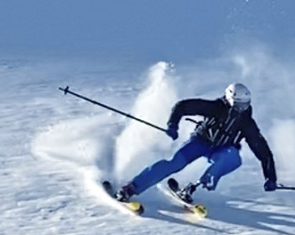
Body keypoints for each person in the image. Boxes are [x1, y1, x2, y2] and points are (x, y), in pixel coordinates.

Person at [117, 82, 278, 201]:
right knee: (174, 164)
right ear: (229, 100)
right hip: (200, 142)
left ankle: (194, 186)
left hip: (220, 150)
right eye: (238, 105)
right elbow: (183, 106)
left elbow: (263, 151)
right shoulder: (215, 107)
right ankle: (131, 188)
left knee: (233, 157)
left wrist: (270, 178)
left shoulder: (247, 123)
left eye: (245, 105)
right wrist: (172, 124)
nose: (241, 108)